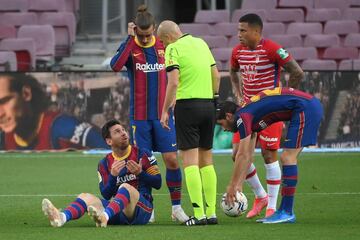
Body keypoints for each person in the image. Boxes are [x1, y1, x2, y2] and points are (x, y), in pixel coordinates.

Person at [109, 5, 188, 223]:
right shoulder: (131, 46)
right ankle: (148, 207)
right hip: (140, 118)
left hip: (163, 116)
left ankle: (176, 208)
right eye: (140, 35)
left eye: (148, 35)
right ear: (135, 30)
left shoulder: (164, 46)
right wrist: (128, 38)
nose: (144, 40)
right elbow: (115, 66)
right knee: (143, 164)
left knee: (172, 160)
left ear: (154, 30)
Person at [229, 13, 304, 218]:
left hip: (269, 110)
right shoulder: (237, 52)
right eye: (238, 30)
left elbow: (297, 72)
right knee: (237, 154)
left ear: (256, 31)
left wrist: (286, 98)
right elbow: (232, 71)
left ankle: (271, 206)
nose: (239, 34)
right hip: (247, 111)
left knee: (268, 155)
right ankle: (260, 196)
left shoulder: (272, 48)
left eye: (243, 30)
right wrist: (238, 93)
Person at [216, 87, 323, 224]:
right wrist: (238, 184)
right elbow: (247, 154)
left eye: (222, 124)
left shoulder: (242, 117)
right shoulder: (246, 113)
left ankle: (286, 212)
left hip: (305, 109)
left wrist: (232, 186)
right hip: (306, 106)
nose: (224, 129)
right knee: (286, 157)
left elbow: (242, 154)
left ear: (228, 116)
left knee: (287, 158)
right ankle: (280, 209)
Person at [157, 20, 220, 226]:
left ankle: (199, 215)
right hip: (209, 105)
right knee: (207, 159)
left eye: (162, 42)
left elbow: (173, 82)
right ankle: (211, 214)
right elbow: (216, 75)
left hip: (187, 107)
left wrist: (165, 110)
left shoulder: (173, 49)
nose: (164, 46)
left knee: (189, 161)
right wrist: (214, 99)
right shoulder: (201, 43)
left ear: (167, 38)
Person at [42, 120, 162, 227]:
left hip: (142, 210)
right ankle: (61, 217)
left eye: (123, 130)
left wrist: (140, 173)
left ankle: (104, 217)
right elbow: (106, 194)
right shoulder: (104, 164)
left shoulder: (143, 154)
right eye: (117, 132)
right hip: (117, 210)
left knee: (125, 187)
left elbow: (158, 183)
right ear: (109, 141)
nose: (123, 133)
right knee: (85, 196)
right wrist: (113, 176)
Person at [0, 73, 108, 150]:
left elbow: (116, 154)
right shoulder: (4, 139)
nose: (0, 113)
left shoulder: (64, 129)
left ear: (26, 93)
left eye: (4, 101)